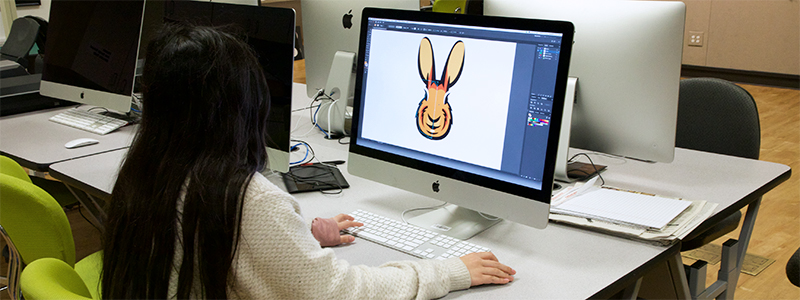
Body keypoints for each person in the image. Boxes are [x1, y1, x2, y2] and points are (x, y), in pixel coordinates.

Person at [101, 23, 515, 299]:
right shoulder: (243, 197)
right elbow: (339, 293)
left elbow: (223, 244)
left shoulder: (148, 168)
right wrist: (448, 273)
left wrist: (292, 237)